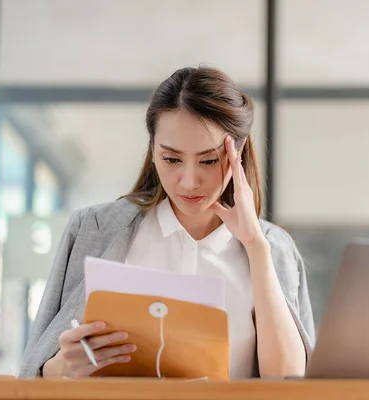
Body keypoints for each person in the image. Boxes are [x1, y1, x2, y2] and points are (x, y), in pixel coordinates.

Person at [18, 66, 315, 379]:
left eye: (209, 160)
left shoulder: (275, 249)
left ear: (237, 153)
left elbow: (289, 384)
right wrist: (64, 366)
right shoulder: (93, 229)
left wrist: (256, 248)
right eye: (172, 159)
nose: (188, 182)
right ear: (153, 149)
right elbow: (34, 374)